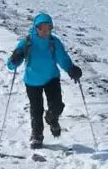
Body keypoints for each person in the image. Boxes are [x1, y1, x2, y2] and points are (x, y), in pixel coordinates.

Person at [6, 13, 83, 148]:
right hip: (32, 81)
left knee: (57, 105)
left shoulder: (54, 42)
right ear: (36, 27)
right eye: (42, 28)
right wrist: (15, 59)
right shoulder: (27, 42)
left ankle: (52, 119)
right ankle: (37, 136)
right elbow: (11, 65)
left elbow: (62, 58)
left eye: (48, 28)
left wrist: (71, 69)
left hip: (51, 78)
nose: (45, 31)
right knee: (36, 110)